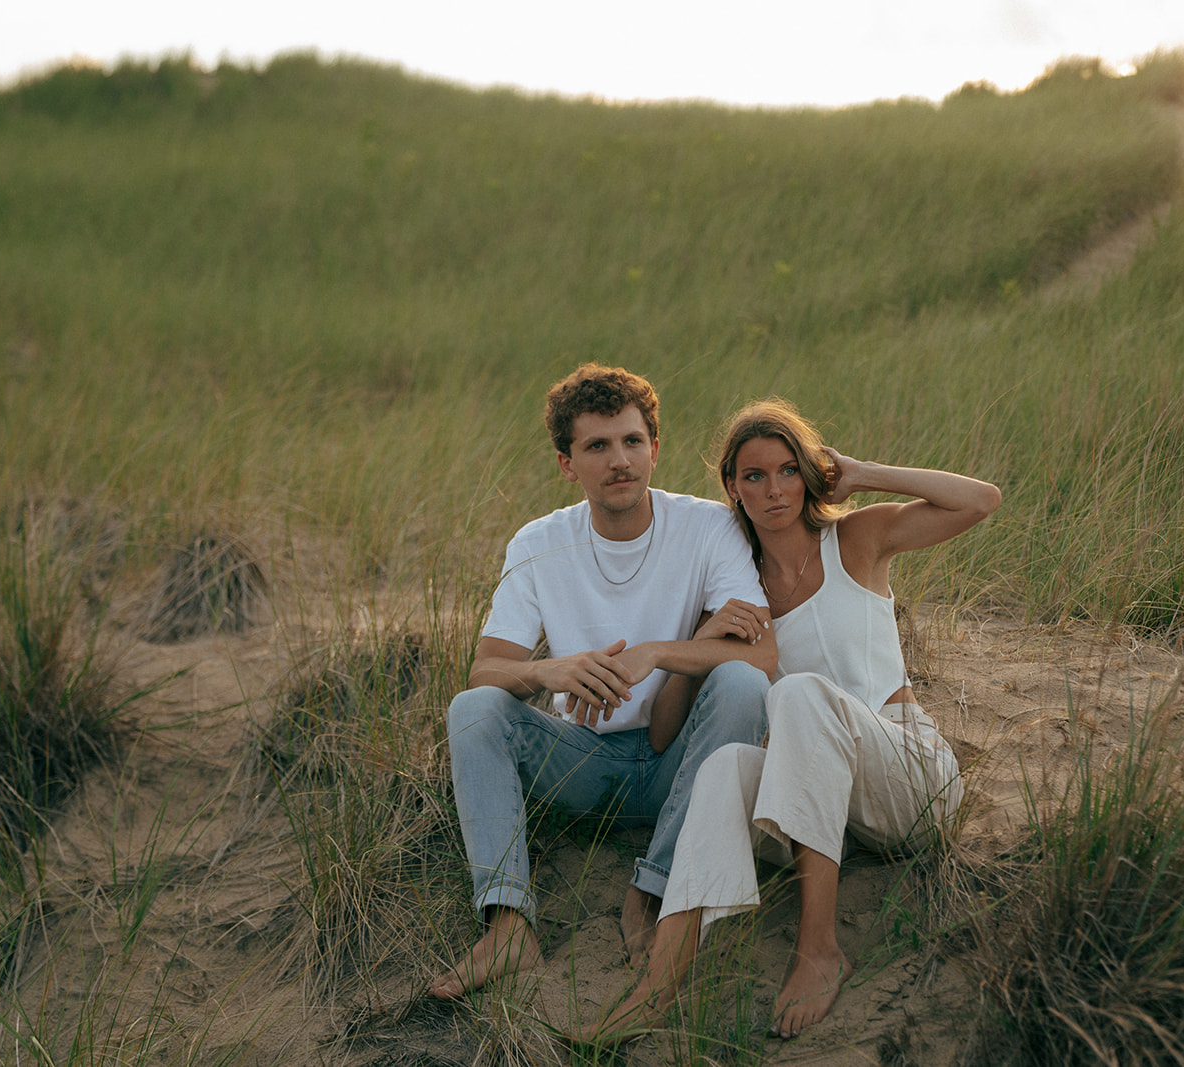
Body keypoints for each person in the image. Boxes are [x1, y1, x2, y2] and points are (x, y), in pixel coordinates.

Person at [574, 397, 1001, 1040]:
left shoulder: (855, 541)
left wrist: (860, 474)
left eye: (787, 471)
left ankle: (818, 949)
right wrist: (695, 640)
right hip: (829, 818)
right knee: (723, 768)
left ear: (809, 474)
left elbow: (980, 500)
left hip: (911, 785)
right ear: (732, 489)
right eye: (754, 476)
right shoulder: (738, 596)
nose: (774, 490)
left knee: (799, 692)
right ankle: (660, 982)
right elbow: (664, 734)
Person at [429, 364, 777, 999]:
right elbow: (485, 670)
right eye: (597, 446)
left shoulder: (708, 527)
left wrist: (656, 653)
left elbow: (760, 660)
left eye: (631, 441)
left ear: (653, 448)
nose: (619, 460)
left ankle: (654, 890)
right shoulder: (538, 544)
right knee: (475, 708)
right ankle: (508, 924)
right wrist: (546, 671)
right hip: (583, 763)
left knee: (742, 689)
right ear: (567, 463)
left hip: (684, 758)